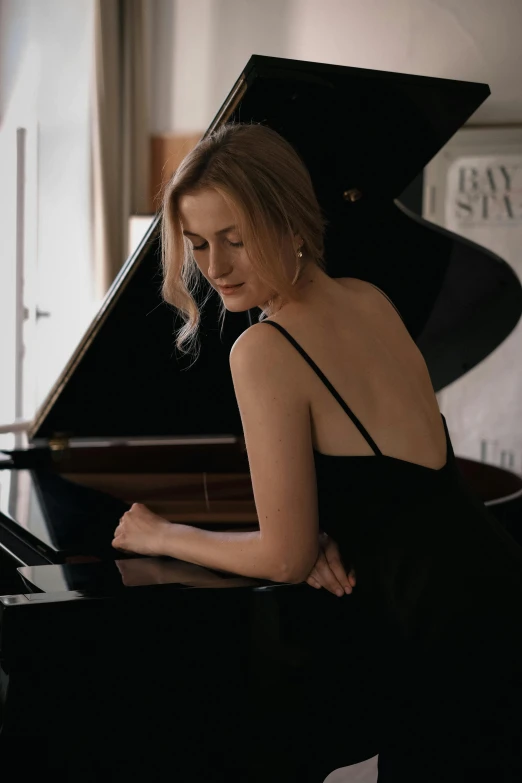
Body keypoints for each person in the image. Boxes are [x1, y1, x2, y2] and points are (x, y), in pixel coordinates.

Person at [112, 123, 522, 781]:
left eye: (235, 240)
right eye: (196, 245)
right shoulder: (370, 299)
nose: (213, 268)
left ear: (292, 224)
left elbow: (285, 554)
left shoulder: (263, 350)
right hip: (496, 581)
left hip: (440, 629)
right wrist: (326, 529)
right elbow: (391, 483)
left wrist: (161, 533)